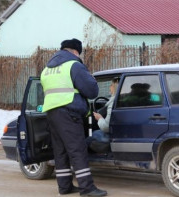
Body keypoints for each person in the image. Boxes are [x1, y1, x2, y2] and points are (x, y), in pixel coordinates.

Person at [40, 38, 107, 197]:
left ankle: (65, 186)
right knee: (77, 150)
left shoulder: (47, 69)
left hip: (51, 113)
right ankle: (87, 188)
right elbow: (91, 91)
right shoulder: (73, 65)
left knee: (60, 151)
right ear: (76, 51)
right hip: (69, 112)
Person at [86, 77, 119, 152]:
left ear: (115, 87)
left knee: (91, 136)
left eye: (111, 85)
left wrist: (99, 118)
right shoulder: (118, 100)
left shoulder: (113, 103)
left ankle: (79, 159)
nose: (109, 87)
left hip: (112, 136)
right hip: (120, 134)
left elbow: (106, 127)